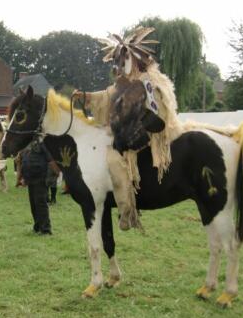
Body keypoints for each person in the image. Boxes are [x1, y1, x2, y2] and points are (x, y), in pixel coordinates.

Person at [73, 27, 182, 231]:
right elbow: (106, 95)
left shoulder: (148, 81)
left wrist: (134, 127)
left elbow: (157, 113)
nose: (119, 65)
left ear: (134, 59)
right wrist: (87, 97)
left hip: (146, 136)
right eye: (118, 61)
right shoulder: (126, 83)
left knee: (114, 159)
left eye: (123, 60)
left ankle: (127, 212)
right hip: (128, 132)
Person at [18, 141, 59, 235]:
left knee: (40, 203)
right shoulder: (27, 144)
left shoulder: (43, 143)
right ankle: (37, 226)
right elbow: (24, 160)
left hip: (41, 178)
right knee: (33, 204)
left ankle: (46, 229)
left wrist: (55, 174)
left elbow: (51, 160)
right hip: (30, 178)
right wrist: (23, 177)